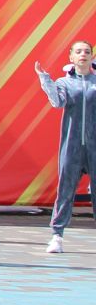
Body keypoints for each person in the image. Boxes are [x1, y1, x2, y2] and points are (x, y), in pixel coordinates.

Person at [35, 42, 96, 253]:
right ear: (71, 57)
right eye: (78, 52)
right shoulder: (65, 83)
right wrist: (46, 80)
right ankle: (57, 236)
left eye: (87, 52)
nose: (83, 55)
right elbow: (57, 102)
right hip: (71, 147)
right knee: (66, 191)